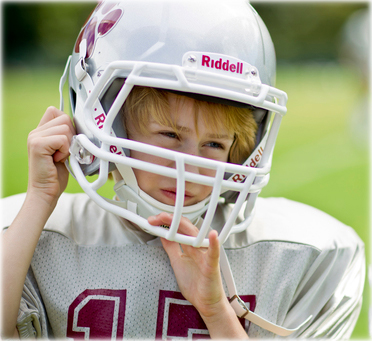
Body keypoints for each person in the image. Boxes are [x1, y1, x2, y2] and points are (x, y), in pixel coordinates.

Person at [1, 0, 365, 339]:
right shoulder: (29, 237)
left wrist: (216, 310)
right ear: (103, 122)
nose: (189, 164)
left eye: (215, 144)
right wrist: (39, 201)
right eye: (170, 134)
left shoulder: (303, 255)